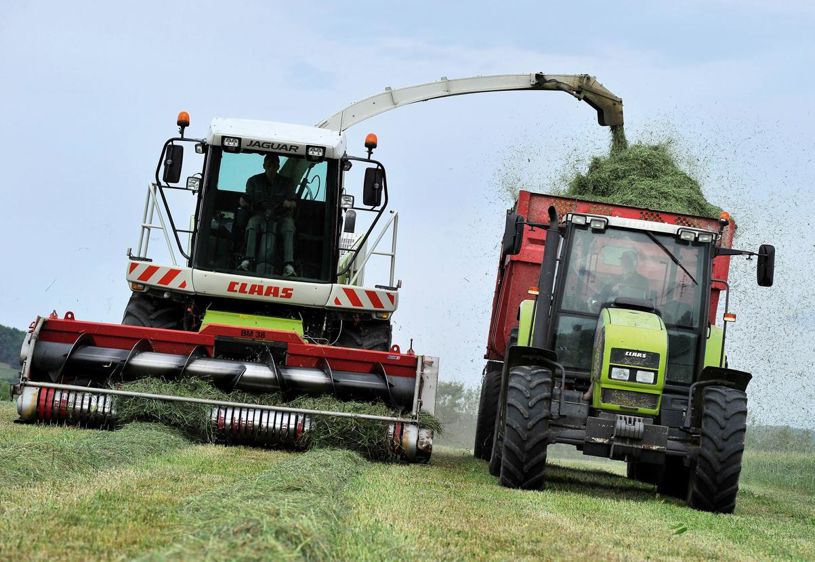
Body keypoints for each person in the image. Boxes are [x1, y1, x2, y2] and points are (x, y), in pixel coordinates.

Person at [238, 154, 297, 276]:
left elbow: (293, 203)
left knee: (289, 226)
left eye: (274, 165)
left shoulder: (287, 183)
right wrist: (244, 202)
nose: (271, 168)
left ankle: (288, 265)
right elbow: (246, 198)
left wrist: (288, 204)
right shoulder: (254, 181)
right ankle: (247, 260)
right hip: (260, 215)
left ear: (278, 166)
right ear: (264, 165)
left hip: (280, 217)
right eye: (269, 164)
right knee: (252, 223)